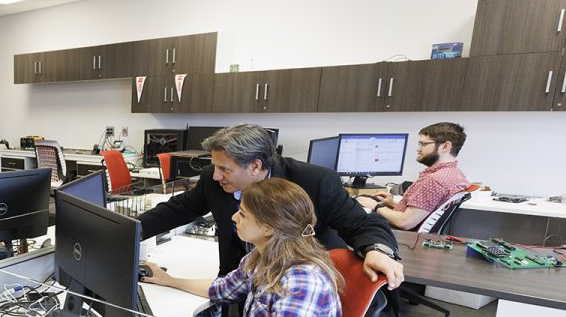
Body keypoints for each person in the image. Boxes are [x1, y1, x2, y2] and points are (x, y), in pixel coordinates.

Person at [138, 124, 404, 289]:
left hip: (295, 285)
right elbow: (178, 209)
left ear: (255, 166)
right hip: (240, 280)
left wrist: (377, 250)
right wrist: (129, 231)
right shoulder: (214, 179)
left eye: (224, 168)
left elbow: (362, 223)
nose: (215, 175)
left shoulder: (314, 181)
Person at [144, 178, 343, 317]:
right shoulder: (261, 256)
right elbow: (222, 289)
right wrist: (169, 281)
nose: (234, 217)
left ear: (269, 227)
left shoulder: (302, 281)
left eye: (243, 214)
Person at [356, 122, 468, 231]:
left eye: (423, 144)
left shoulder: (434, 180)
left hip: (396, 236)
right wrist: (393, 204)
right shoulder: (456, 174)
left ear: (445, 146)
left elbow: (404, 222)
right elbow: (422, 212)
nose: (418, 149)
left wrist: (375, 205)